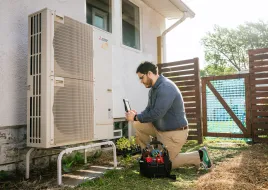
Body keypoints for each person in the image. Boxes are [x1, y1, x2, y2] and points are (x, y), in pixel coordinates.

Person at [125, 61, 212, 169]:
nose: (141, 81)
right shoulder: (153, 90)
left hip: (174, 134)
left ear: (149, 73)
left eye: (141, 78)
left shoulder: (166, 87)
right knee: (138, 124)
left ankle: (199, 155)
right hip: (160, 130)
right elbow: (149, 110)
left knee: (164, 164)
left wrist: (135, 117)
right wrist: (136, 116)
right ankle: (149, 154)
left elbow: (157, 113)